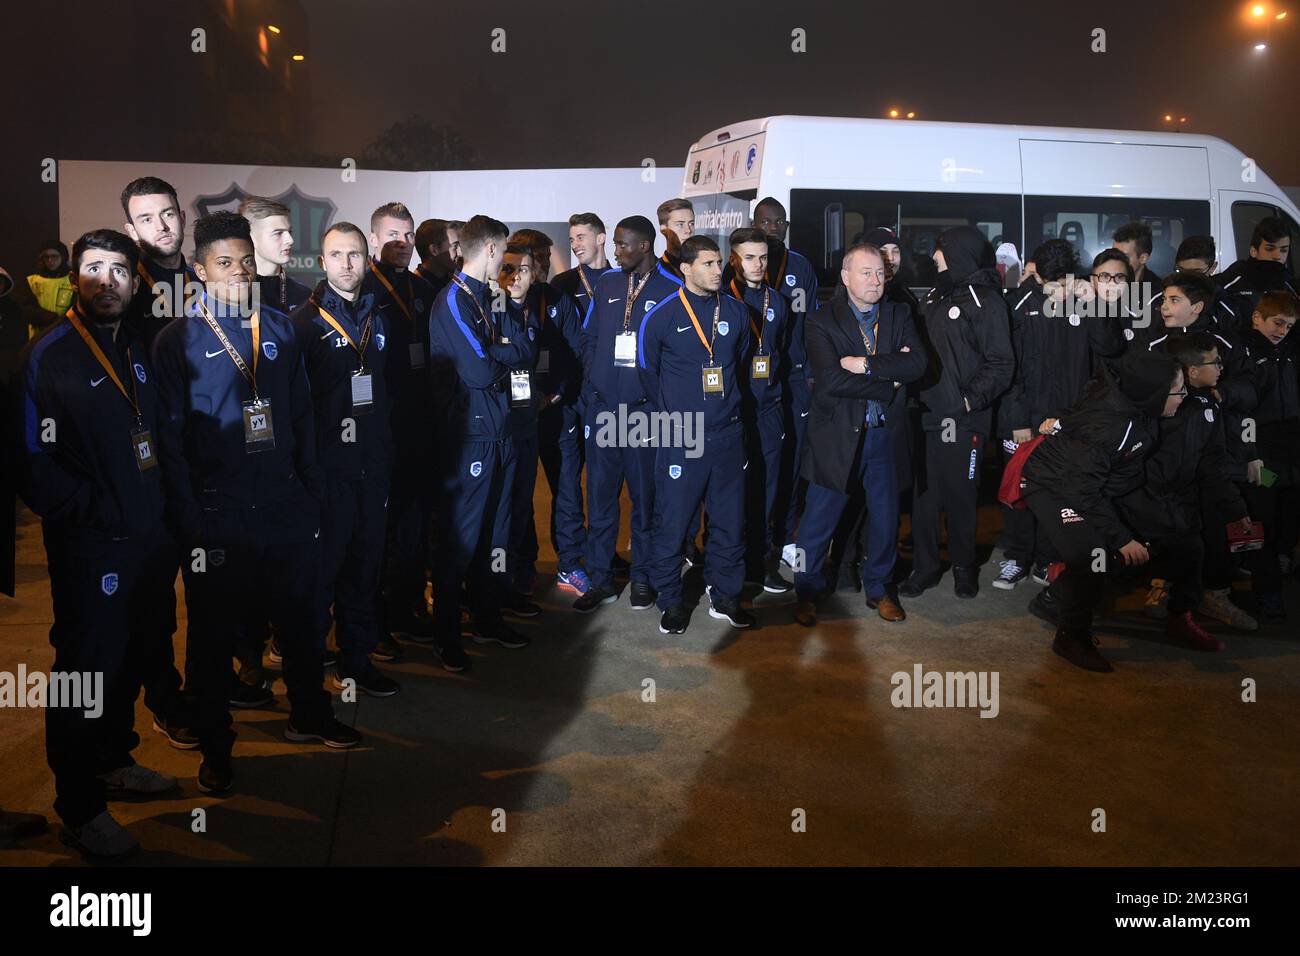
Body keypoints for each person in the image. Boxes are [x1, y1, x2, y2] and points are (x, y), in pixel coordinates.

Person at [153, 212, 356, 795]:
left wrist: (311, 491)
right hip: (219, 513)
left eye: (247, 261)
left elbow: (302, 416)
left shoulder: (281, 329)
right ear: (198, 271)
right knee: (212, 638)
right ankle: (216, 746)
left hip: (286, 506)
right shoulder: (178, 340)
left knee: (301, 621)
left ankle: (308, 714)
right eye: (224, 263)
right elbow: (169, 441)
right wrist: (190, 517)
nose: (240, 273)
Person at [16, 229, 180, 859]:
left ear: (135, 282)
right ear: (75, 278)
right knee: (83, 671)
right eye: (93, 269)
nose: (105, 281)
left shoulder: (138, 342)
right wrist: (93, 511)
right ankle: (80, 806)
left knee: (136, 655)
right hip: (90, 546)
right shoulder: (49, 355)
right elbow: (34, 462)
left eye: (119, 270)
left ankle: (114, 760)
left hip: (146, 539)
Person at [1019, 349, 1186, 671]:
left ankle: (1059, 597)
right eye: (1178, 391)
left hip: (1095, 485)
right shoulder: (1112, 426)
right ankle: (1071, 637)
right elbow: (1081, 491)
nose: (1183, 397)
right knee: (1093, 556)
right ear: (1154, 394)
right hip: (1053, 487)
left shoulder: (1135, 409)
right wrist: (1121, 538)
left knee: (1169, 529)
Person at [792, 243, 927, 626]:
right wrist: (889, 382)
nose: (875, 280)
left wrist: (865, 364)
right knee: (818, 522)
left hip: (884, 436)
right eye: (866, 272)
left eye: (880, 273)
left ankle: (880, 589)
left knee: (885, 520)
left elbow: (917, 363)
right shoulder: (821, 320)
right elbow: (831, 381)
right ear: (846, 277)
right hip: (836, 437)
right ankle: (806, 591)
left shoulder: (899, 313)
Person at [291, 222, 400, 697]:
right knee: (321, 580)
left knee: (364, 570)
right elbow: (296, 409)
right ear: (322, 262)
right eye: (337, 255)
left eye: (355, 255)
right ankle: (309, 678)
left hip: (371, 468)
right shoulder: (303, 324)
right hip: (328, 473)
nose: (348, 264)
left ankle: (356, 662)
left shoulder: (381, 317)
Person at [426, 214, 535, 671]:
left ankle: (487, 617)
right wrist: (507, 353)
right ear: (489, 249)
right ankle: (446, 635)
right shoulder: (453, 300)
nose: (507, 264)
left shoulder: (485, 298)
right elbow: (479, 370)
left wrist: (505, 350)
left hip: (500, 430)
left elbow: (521, 346)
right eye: (503, 252)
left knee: (497, 534)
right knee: (463, 541)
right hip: (471, 437)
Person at [637, 235, 753, 634]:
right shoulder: (662, 317)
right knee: (672, 522)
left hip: (727, 436)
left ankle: (725, 596)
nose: (717, 270)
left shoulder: (737, 313)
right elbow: (647, 374)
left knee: (727, 522)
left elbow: (740, 363)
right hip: (682, 436)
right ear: (686, 269)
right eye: (707, 264)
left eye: (719, 263)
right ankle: (670, 600)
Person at [1110, 333, 1254, 652]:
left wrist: (1236, 509)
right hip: (1138, 500)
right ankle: (1070, 615)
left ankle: (1181, 618)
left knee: (1191, 556)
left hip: (1179, 503)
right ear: (1191, 370)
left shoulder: (1207, 407)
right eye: (1214, 362)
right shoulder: (1152, 400)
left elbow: (1213, 465)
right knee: (1108, 563)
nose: (1221, 367)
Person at [995, 239, 1123, 590]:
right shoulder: (1018, 304)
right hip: (1028, 418)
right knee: (1019, 489)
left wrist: (1094, 301)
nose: (1058, 290)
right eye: (1051, 284)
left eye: (1064, 282)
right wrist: (1017, 419)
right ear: (1035, 272)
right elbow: (1010, 367)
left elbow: (1109, 347)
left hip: (1072, 419)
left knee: (1062, 493)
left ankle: (1048, 558)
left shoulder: (1086, 300)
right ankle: (1017, 558)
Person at [573, 215, 682, 613]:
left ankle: (643, 579)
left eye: (622, 244)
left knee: (644, 502)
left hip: (644, 415)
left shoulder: (673, 290)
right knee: (599, 501)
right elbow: (589, 337)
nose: (615, 251)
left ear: (644, 245)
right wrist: (594, 383)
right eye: (615, 243)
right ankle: (600, 580)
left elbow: (675, 356)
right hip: (603, 411)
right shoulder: (607, 284)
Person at [900, 226, 1014, 599]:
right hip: (926, 414)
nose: (934, 258)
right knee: (924, 496)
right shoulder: (935, 295)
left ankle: (964, 567)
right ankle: (926, 567)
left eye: (939, 250)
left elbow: (1001, 363)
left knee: (961, 496)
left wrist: (967, 401)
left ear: (959, 252)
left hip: (962, 419)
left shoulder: (986, 300)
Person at [364, 202, 439, 643]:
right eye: (392, 235)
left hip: (419, 427)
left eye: (408, 235)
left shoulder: (422, 289)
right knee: (380, 526)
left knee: (414, 523)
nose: (402, 243)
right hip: (378, 428)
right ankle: (373, 616)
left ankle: (407, 605)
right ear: (374, 240)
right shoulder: (363, 290)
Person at [505, 228, 589, 598]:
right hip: (516, 415)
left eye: (543, 257)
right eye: (534, 258)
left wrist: (556, 394)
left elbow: (578, 353)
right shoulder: (496, 301)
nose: (541, 265)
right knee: (518, 494)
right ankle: (523, 567)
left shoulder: (557, 299)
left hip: (557, 411)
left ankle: (570, 565)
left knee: (568, 491)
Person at [751, 197, 819, 562]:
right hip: (756, 384)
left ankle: (787, 538)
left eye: (778, 222)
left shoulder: (800, 267)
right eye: (765, 222)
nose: (772, 228)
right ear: (754, 223)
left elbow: (810, 322)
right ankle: (753, 539)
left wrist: (810, 373)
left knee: (792, 460)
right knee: (757, 462)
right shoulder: (742, 268)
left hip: (794, 380)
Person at [725, 227, 791, 592]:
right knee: (730, 493)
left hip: (768, 411)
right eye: (749, 257)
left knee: (767, 491)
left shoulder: (777, 302)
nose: (758, 264)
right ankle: (728, 563)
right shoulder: (721, 299)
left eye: (763, 257)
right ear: (734, 258)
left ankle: (763, 563)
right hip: (732, 414)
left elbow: (780, 351)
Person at [1236, 290, 1300, 623]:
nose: (1282, 330)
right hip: (1262, 453)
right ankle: (1266, 592)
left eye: (1289, 326)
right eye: (1277, 323)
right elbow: (1240, 410)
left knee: (1288, 513)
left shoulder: (1288, 351)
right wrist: (1250, 455)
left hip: (1290, 450)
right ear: (1256, 317)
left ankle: (1277, 567)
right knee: (1263, 520)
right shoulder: (1241, 352)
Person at [495, 240, 546, 616]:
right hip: (496, 428)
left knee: (519, 507)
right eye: (508, 268)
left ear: (536, 273)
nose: (514, 277)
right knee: (497, 512)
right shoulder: (488, 309)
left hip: (527, 423)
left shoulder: (536, 310)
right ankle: (494, 588)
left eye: (523, 270)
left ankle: (512, 581)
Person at [121, 176, 196, 348]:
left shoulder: (204, 283)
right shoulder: (122, 290)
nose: (161, 226)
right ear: (132, 231)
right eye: (147, 219)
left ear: (182, 219)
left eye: (168, 214)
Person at [239, 196, 311, 316]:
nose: (290, 240)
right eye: (278, 233)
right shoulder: (234, 294)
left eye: (290, 232)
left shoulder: (304, 296)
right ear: (250, 238)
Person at [1216, 216, 1297, 321]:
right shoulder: (1236, 275)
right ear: (1253, 251)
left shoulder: (1290, 285)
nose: (1277, 256)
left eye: (1283, 250)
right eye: (1270, 248)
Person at [552, 212, 609, 315]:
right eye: (572, 240)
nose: (574, 246)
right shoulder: (562, 282)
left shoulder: (622, 280)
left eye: (580, 238)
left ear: (600, 239)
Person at [1112, 221, 1163, 326]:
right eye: (1113, 254)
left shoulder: (1160, 293)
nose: (1116, 261)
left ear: (1143, 258)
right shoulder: (1101, 284)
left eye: (1124, 257)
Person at [24, 240, 75, 338]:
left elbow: (77, 307)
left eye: (54, 256)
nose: (50, 261)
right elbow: (27, 309)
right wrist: (51, 318)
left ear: (63, 257)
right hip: (38, 335)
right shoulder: (32, 281)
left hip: (66, 332)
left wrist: (63, 321)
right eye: (46, 257)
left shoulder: (73, 280)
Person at [413, 217, 456, 296]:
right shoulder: (413, 291)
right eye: (454, 246)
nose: (460, 252)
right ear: (434, 250)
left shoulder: (455, 280)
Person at [656, 198, 694, 279]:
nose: (688, 230)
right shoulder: (656, 272)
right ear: (664, 229)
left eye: (691, 223)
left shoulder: (703, 267)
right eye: (680, 224)